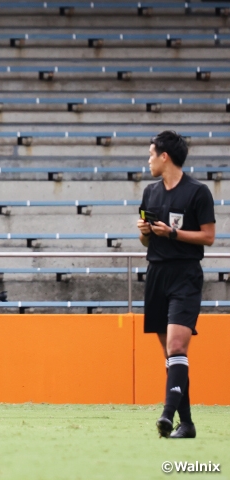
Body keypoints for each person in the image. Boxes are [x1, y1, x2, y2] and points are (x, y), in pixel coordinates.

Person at [137, 131, 215, 439]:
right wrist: (145, 231)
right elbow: (145, 240)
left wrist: (172, 234)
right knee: (172, 357)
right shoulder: (150, 192)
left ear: (164, 156)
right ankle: (188, 424)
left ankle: (167, 415)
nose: (149, 159)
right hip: (156, 274)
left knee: (177, 346)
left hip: (185, 275)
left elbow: (208, 237)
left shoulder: (198, 192)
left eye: (151, 153)